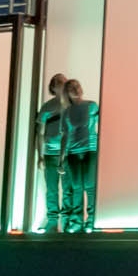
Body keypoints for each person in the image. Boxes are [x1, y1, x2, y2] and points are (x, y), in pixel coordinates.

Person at [61, 77, 100, 233]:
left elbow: (101, 125)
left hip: (90, 149)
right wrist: (61, 158)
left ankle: (91, 220)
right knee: (77, 187)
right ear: (67, 93)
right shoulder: (67, 112)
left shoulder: (92, 106)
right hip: (72, 152)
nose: (75, 89)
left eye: (77, 85)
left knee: (90, 186)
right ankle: (76, 221)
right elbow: (65, 135)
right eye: (71, 88)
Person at [35, 74, 69, 233]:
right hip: (50, 153)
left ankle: (68, 220)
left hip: (69, 153)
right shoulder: (47, 107)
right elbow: (40, 133)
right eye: (59, 83)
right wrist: (40, 155)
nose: (62, 85)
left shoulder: (72, 106)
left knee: (69, 187)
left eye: (64, 82)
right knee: (52, 188)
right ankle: (53, 220)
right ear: (53, 87)